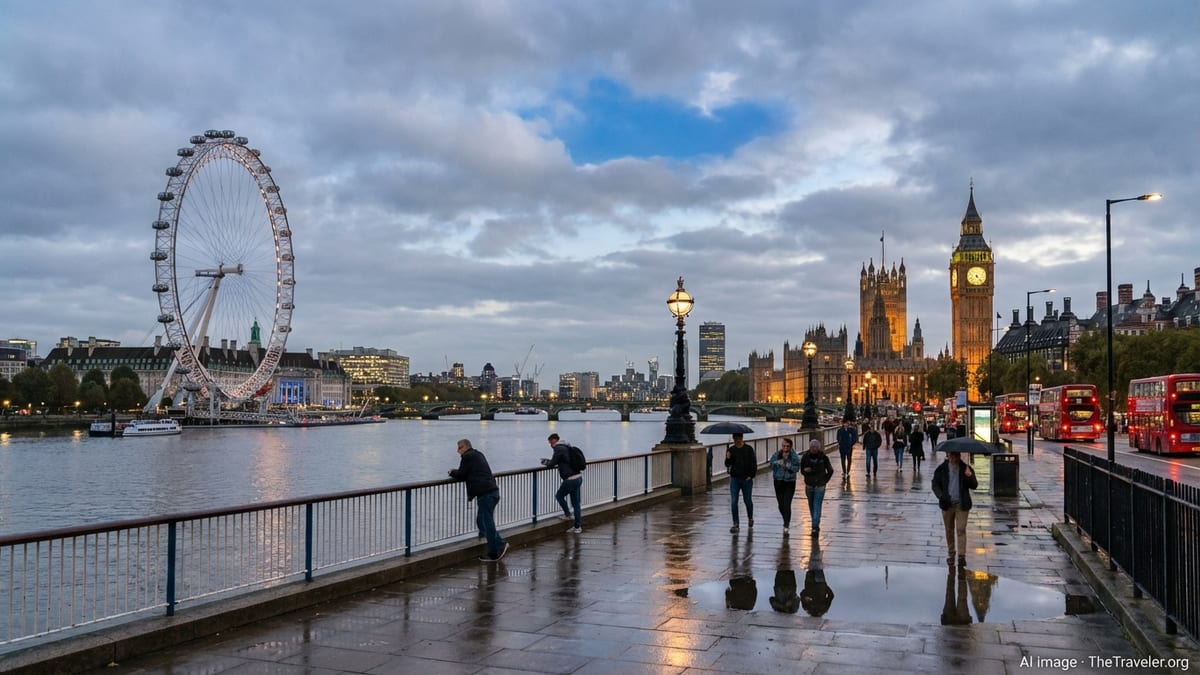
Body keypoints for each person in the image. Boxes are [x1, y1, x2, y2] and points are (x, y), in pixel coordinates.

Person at [448, 438, 509, 562]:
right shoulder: (478, 454)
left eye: (459, 448)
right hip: (492, 492)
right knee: (481, 522)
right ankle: (498, 545)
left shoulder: (467, 456)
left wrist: (451, 472)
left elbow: (461, 474)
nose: (457, 451)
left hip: (486, 494)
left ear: (465, 447)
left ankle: (496, 550)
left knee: (487, 523)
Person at [931, 449, 979, 568]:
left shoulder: (965, 468)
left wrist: (969, 476)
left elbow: (974, 485)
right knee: (949, 530)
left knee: (961, 529)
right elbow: (935, 484)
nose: (954, 458)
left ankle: (961, 556)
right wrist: (941, 496)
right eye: (952, 455)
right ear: (948, 455)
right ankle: (951, 554)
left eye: (956, 455)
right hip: (947, 505)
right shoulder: (942, 469)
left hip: (961, 504)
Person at [542, 433, 583, 533]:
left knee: (559, 496)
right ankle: (577, 527)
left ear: (554, 440)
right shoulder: (567, 447)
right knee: (576, 504)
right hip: (578, 477)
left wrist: (545, 462)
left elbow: (552, 463)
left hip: (570, 479)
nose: (550, 445)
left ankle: (568, 515)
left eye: (551, 442)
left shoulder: (559, 448)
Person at [799, 439, 835, 534]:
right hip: (809, 485)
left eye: (815, 447)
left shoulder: (823, 458)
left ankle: (814, 527)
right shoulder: (805, 457)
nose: (813, 449)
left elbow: (830, 470)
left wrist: (824, 480)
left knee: (817, 505)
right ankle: (815, 523)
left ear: (818, 448)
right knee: (811, 506)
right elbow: (801, 470)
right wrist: (805, 471)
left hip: (820, 485)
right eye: (812, 447)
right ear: (809, 447)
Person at [724, 433, 756, 533]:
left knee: (747, 501)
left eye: (739, 438)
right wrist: (728, 458)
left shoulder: (749, 449)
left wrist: (751, 475)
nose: (737, 440)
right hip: (735, 479)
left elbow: (753, 463)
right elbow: (727, 464)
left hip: (746, 479)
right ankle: (736, 524)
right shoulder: (731, 450)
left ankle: (750, 518)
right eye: (735, 439)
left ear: (742, 438)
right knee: (734, 501)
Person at [768, 438, 801, 533]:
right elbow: (771, 464)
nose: (785, 448)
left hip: (789, 482)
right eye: (783, 446)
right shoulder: (777, 454)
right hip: (778, 481)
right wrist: (777, 463)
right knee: (781, 505)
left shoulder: (794, 456)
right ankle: (785, 519)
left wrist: (787, 465)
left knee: (787, 504)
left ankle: (786, 523)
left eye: (787, 446)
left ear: (790, 447)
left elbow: (796, 468)